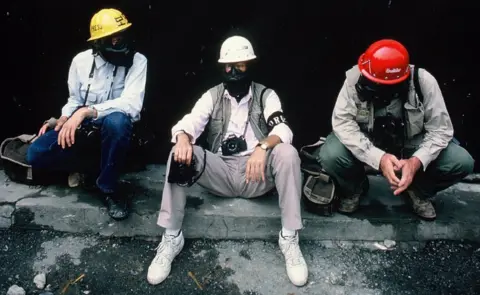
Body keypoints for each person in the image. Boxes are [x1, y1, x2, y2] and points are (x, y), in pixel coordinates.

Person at [146, 35, 308, 287]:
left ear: (250, 65)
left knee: (287, 152)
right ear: (222, 68)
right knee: (179, 153)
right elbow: (191, 121)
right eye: (228, 66)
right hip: (220, 170)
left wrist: (262, 147)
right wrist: (182, 137)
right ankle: (171, 237)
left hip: (257, 174)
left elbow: (284, 129)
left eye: (240, 65)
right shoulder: (213, 95)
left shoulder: (266, 95)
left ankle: (289, 237)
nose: (233, 72)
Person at [319, 39, 474, 220]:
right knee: (331, 154)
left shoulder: (423, 81)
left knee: (461, 161)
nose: (368, 83)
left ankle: (417, 191)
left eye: (376, 83)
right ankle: (355, 189)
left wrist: (416, 162)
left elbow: (441, 130)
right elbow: (343, 124)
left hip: (410, 143)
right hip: (369, 141)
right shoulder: (355, 78)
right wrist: (378, 158)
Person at [26, 8, 148, 221]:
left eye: (123, 35)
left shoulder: (138, 61)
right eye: (115, 39)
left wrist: (87, 112)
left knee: (117, 121)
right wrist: (63, 119)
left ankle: (108, 188)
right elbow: (74, 99)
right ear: (98, 43)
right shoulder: (80, 62)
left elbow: (132, 105)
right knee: (36, 153)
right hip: (85, 130)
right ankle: (99, 167)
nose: (122, 42)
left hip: (115, 129)